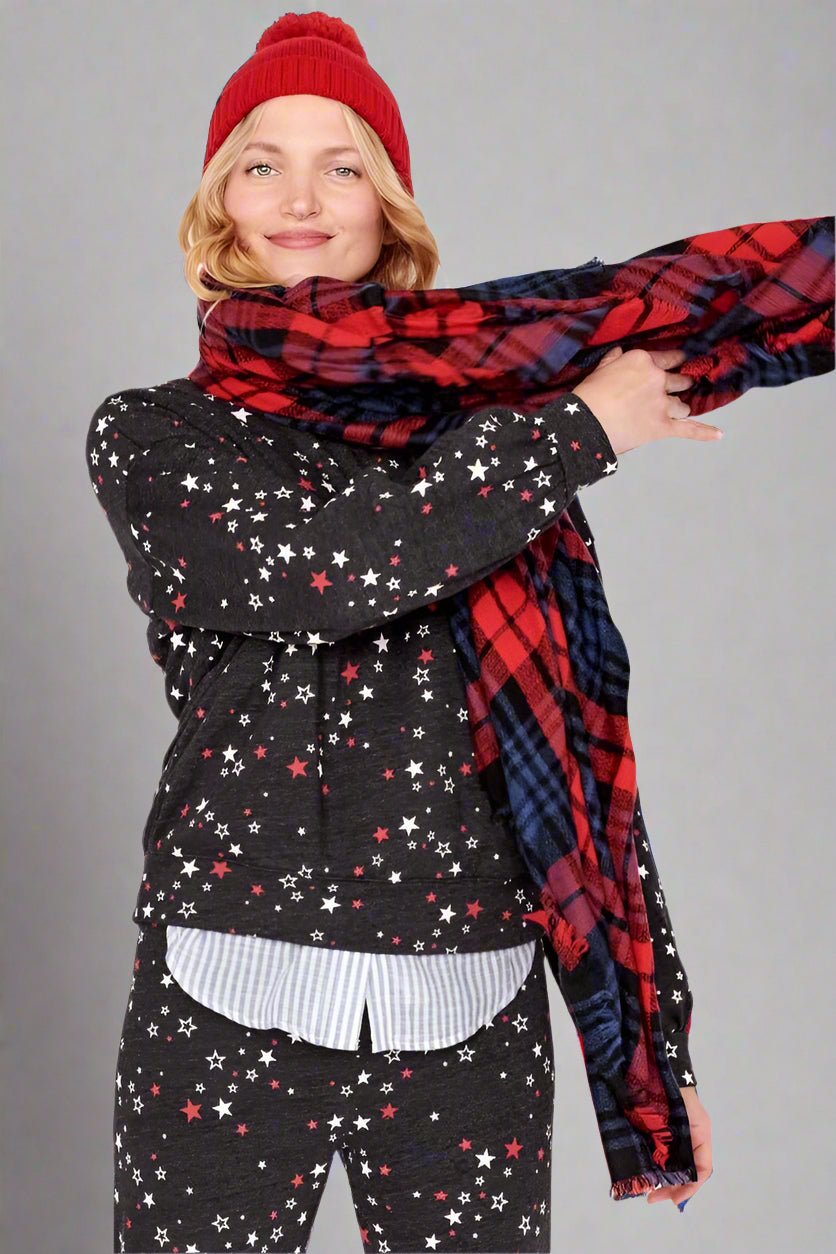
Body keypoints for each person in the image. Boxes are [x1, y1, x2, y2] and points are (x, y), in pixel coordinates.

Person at [89, 12, 715, 1252]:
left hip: (466, 1006)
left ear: (388, 207)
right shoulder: (156, 436)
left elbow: (581, 756)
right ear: (220, 204)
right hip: (223, 993)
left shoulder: (492, 452)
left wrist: (658, 1055)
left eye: (343, 165)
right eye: (261, 163)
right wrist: (572, 432)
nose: (300, 199)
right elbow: (322, 571)